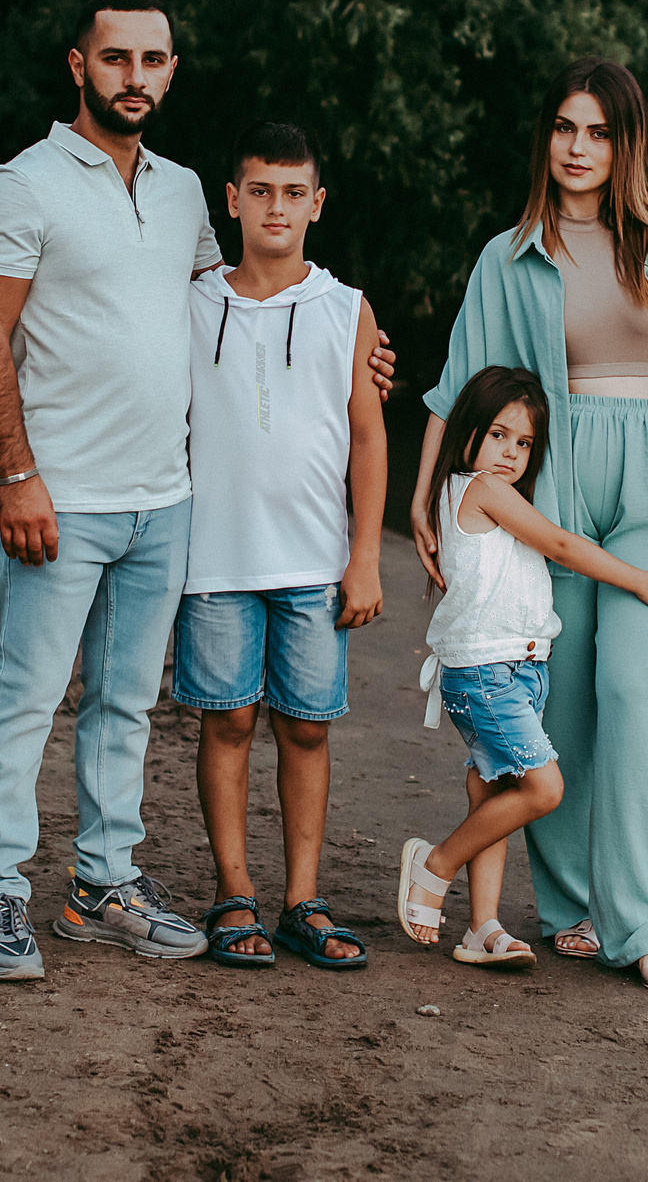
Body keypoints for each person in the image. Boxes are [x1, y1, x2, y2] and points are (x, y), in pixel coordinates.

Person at [0, 0, 396, 982]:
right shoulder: (22, 185)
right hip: (61, 495)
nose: (135, 76)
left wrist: (356, 358)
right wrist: (17, 475)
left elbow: (225, 306)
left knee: (124, 706)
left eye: (152, 59)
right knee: (26, 696)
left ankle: (102, 885)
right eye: (116, 57)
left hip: (166, 502)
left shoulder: (186, 190)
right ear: (80, 66)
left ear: (171, 71)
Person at [407, 57, 648, 998]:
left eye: (598, 131)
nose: (578, 147)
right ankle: (570, 907)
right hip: (550, 493)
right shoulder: (508, 256)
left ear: (626, 142)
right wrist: (424, 499)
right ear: (546, 138)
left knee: (634, 687)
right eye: (564, 127)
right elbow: (456, 387)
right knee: (560, 700)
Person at [175, 122, 385, 971]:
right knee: (227, 719)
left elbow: (367, 438)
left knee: (305, 728)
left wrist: (365, 556)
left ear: (317, 204)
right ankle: (234, 891)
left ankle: (302, 899)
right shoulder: (192, 302)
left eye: (294, 193)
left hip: (314, 561)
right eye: (260, 190)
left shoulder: (346, 307)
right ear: (232, 199)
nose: (276, 207)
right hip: (216, 557)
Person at [395, 366, 648, 969]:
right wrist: (639, 581)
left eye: (525, 443)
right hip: (488, 673)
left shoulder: (475, 493)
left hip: (517, 669)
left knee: (496, 788)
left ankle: (483, 929)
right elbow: (561, 545)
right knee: (543, 787)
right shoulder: (481, 488)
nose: (511, 453)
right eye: (498, 435)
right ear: (468, 431)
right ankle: (435, 864)